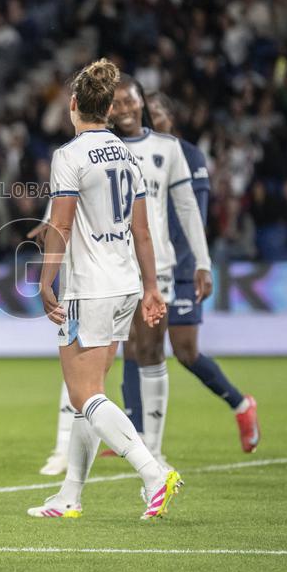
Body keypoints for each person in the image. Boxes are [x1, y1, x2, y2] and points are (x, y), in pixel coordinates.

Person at [30, 59, 180, 521]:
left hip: (89, 286)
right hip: (126, 285)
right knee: (89, 393)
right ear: (109, 109)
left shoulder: (70, 156)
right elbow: (144, 231)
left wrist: (45, 279)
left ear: (73, 105)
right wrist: (152, 287)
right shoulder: (125, 153)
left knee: (84, 395)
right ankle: (70, 495)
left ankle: (152, 472)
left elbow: (60, 222)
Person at [109, 77, 213, 465]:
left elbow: (187, 208)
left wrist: (202, 262)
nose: (124, 109)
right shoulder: (104, 148)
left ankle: (153, 448)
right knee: (114, 351)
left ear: (141, 102)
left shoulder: (167, 148)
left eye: (129, 100)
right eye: (116, 103)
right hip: (113, 265)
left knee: (151, 349)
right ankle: (99, 441)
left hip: (158, 266)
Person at [149, 92, 260, 452]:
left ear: (171, 116)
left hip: (179, 267)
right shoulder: (134, 154)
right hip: (144, 268)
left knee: (185, 352)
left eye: (156, 113)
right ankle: (138, 435)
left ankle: (241, 405)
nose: (151, 121)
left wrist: (199, 262)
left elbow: (193, 213)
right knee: (140, 349)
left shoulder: (190, 155)